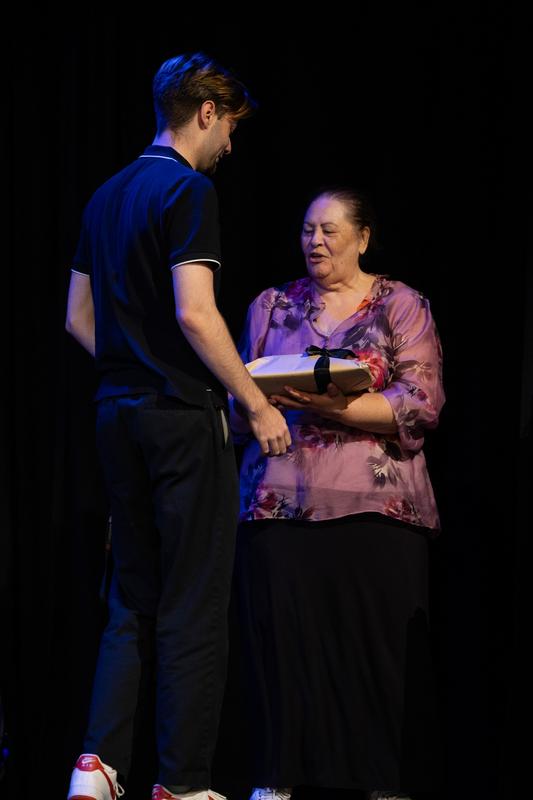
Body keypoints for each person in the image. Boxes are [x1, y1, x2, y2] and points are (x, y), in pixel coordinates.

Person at [65, 52, 291, 800]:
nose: (231, 144)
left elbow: (76, 318)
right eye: (230, 127)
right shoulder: (186, 189)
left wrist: (133, 362)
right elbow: (196, 311)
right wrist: (254, 405)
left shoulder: (104, 194)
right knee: (195, 598)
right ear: (205, 113)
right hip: (176, 419)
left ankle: (95, 766)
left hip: (114, 416)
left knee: (133, 592)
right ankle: (183, 783)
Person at [229, 188, 445, 800]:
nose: (314, 242)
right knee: (284, 646)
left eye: (328, 230)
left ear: (363, 237)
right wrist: (258, 401)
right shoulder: (271, 306)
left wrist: (335, 405)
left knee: (374, 651)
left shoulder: (400, 305)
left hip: (376, 504)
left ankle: (383, 781)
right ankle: (277, 779)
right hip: (280, 500)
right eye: (306, 230)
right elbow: (241, 399)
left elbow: (421, 404)